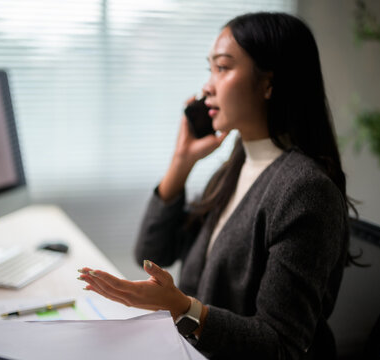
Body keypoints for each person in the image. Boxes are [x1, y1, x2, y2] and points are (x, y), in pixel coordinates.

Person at [78, 12, 353, 359]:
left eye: (222, 68)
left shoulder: (305, 191)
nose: (207, 86)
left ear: (269, 83)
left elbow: (280, 346)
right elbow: (153, 251)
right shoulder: (235, 167)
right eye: (210, 69)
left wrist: (183, 308)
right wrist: (182, 162)